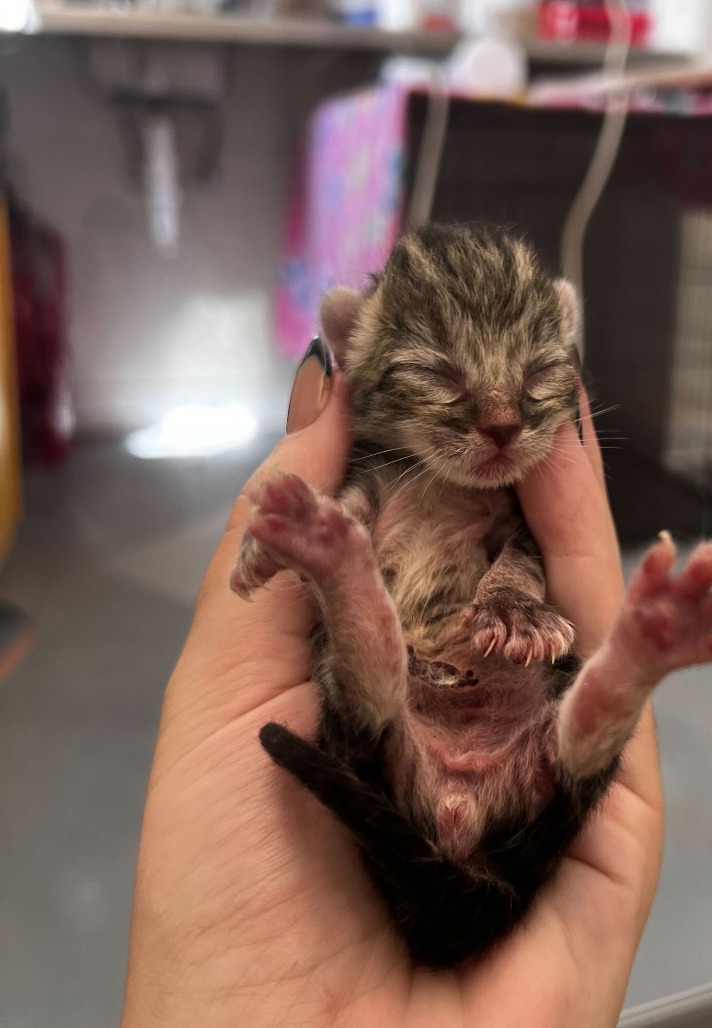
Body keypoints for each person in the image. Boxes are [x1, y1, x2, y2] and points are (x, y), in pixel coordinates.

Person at [121, 347, 665, 1027]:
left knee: (377, 710)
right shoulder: (384, 467)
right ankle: (350, 575)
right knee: (555, 721)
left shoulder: (491, 499)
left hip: (430, 750)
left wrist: (507, 589)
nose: (497, 413)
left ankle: (346, 575)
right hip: (484, 763)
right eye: (437, 375)